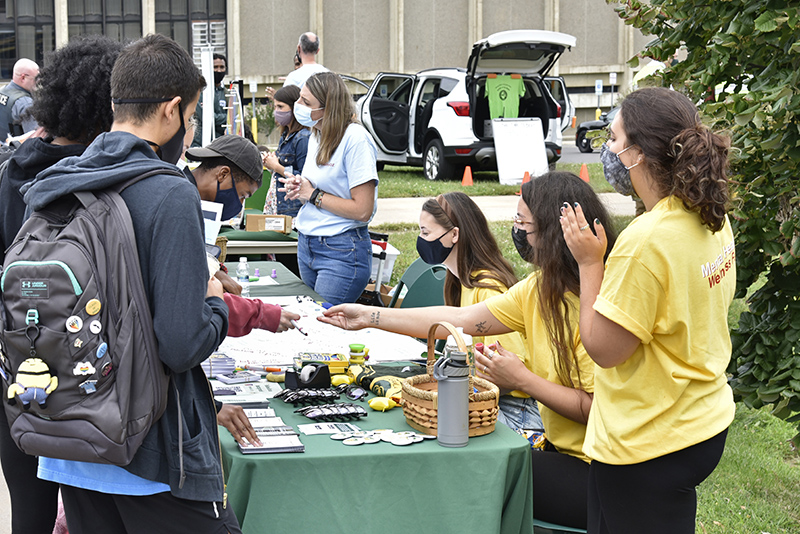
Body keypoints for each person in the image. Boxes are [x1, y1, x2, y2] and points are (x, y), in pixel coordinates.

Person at [28, 34, 241, 533]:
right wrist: (217, 307)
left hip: (70, 441)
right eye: (189, 118)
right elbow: (180, 343)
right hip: (149, 450)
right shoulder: (168, 192)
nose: (188, 133)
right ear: (171, 110)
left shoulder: (58, 182)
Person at [320, 172, 618, 529]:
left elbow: (594, 408)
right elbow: (459, 318)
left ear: (556, 231)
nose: (517, 231)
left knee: (465, 471)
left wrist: (522, 379)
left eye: (523, 223)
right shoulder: (538, 288)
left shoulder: (594, 306)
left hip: (598, 471)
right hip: (560, 453)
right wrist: (369, 315)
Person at [559, 87, 734, 533]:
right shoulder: (709, 213)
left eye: (614, 140)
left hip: (650, 442)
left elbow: (603, 348)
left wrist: (589, 263)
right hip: (701, 420)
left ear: (637, 154)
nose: (609, 150)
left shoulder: (645, 242)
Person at [0, 35, 122, 534]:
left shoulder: (10, 174)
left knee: (29, 511)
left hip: (17, 376)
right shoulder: (109, 181)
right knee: (93, 515)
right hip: (92, 383)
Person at [416, 191, 541, 432]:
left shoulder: (488, 288)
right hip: (493, 402)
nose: (421, 240)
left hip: (515, 410)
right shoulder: (460, 281)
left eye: (425, 233)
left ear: (454, 235)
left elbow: (512, 372)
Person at [283, 71, 378, 304]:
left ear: (328, 109)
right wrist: (302, 186)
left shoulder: (356, 140)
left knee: (321, 327)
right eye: (299, 98)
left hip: (341, 251)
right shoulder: (316, 133)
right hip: (308, 244)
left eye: (306, 102)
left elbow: (363, 210)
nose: (298, 106)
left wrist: (313, 195)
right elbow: (322, 187)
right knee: (310, 322)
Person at [263, 84, 309, 217]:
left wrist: (276, 166)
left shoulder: (303, 138)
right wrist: (270, 162)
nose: (276, 111)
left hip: (293, 210)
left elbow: (303, 178)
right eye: (275, 107)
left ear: (294, 108)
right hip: (278, 206)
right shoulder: (285, 135)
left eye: (280, 107)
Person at [191, 53, 228, 147]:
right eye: (215, 67)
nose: (219, 70)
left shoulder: (227, 93)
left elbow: (232, 119)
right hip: (200, 143)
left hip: (221, 144)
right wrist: (223, 117)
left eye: (222, 67)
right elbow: (205, 117)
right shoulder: (200, 93)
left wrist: (214, 116)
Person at [0, 58, 39, 140]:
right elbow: (35, 139)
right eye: (36, 78)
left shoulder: (2, 91)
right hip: (15, 151)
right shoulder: (25, 103)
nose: (38, 82)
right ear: (23, 78)